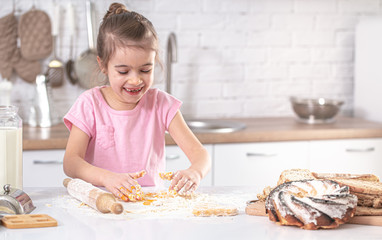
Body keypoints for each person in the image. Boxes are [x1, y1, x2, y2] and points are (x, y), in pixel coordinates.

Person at [63, 2, 211, 200]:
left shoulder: (161, 104)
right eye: (123, 71)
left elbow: (200, 154)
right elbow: (71, 163)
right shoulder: (89, 104)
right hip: (101, 204)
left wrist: (195, 172)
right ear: (103, 65)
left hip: (149, 205)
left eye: (145, 70)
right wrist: (106, 177)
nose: (135, 80)